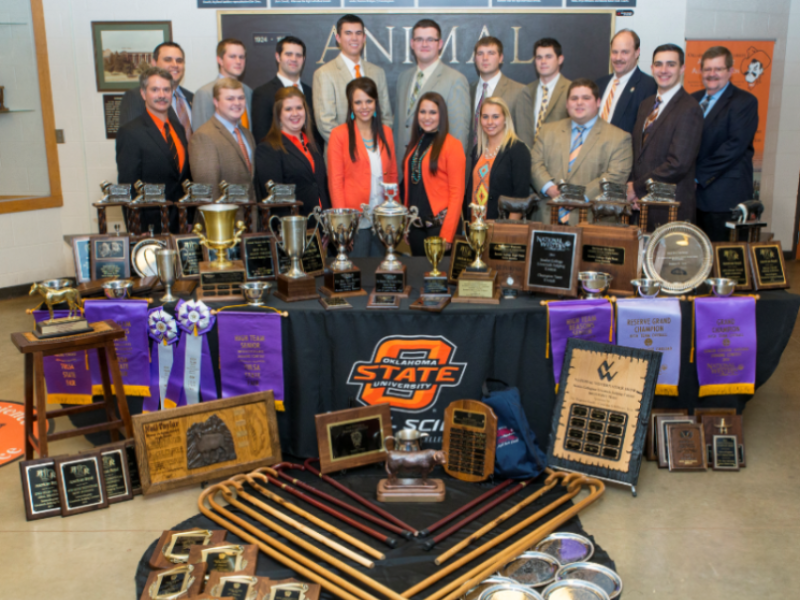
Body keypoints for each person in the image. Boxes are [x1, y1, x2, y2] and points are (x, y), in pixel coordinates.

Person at [531, 79, 632, 224]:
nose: (579, 102)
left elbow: (615, 176)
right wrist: (550, 189)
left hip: (592, 220)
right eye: (574, 98)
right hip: (546, 217)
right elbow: (534, 163)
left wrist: (578, 196)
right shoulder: (547, 131)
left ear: (598, 102)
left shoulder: (619, 138)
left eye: (586, 98)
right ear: (567, 104)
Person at [629, 44, 703, 228]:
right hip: (641, 206)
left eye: (671, 64)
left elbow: (677, 165)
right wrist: (636, 192)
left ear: (682, 68)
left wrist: (637, 188)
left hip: (670, 208)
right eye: (658, 64)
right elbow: (637, 154)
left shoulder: (689, 108)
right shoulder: (646, 105)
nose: (663, 70)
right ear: (652, 68)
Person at [691, 46, 759, 242]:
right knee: (695, 253)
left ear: (730, 71)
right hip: (693, 199)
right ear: (700, 71)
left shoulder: (744, 102)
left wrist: (696, 176)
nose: (712, 74)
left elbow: (734, 147)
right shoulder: (692, 100)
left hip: (724, 198)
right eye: (707, 69)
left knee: (721, 255)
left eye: (718, 69)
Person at [328, 78, 397, 257]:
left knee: (381, 270)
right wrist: (343, 225)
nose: (364, 107)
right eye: (358, 102)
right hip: (355, 222)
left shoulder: (387, 132)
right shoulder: (339, 135)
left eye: (369, 101)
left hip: (383, 221)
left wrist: (395, 216)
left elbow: (392, 176)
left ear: (376, 103)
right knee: (358, 270)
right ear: (351, 105)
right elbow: (336, 183)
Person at [116, 67, 190, 233]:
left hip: (181, 222)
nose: (162, 95)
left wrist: (189, 218)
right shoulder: (130, 132)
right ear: (143, 94)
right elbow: (128, 187)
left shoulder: (178, 128)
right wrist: (137, 228)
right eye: (155, 90)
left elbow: (184, 178)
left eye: (166, 89)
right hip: (150, 226)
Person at [394, 19, 470, 172]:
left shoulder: (455, 80)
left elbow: (459, 134)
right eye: (419, 39)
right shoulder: (403, 78)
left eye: (430, 39)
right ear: (412, 43)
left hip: (435, 172)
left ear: (440, 44)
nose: (424, 44)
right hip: (403, 170)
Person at [402, 92, 466, 255]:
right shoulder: (415, 143)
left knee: (438, 273)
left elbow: (457, 194)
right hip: (416, 228)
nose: (427, 117)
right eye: (422, 112)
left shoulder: (453, 146)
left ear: (441, 115)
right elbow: (412, 188)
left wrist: (447, 234)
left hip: (440, 229)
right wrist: (406, 224)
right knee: (418, 271)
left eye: (432, 112)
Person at [312, 15, 393, 142]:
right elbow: (326, 123)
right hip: (342, 150)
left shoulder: (378, 72)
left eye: (358, 33)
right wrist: (356, 147)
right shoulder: (324, 73)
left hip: (375, 147)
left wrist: (374, 144)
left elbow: (386, 117)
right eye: (348, 33)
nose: (354, 38)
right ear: (338, 38)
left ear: (364, 38)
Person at [254, 87, 330, 215]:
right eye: (288, 109)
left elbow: (320, 186)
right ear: (278, 114)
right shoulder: (268, 149)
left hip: (322, 222)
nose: (295, 113)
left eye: (299, 108)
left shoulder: (314, 145)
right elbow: (275, 201)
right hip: (294, 223)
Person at [188, 78, 256, 203]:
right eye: (230, 99)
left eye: (241, 98)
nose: (237, 103)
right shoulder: (204, 136)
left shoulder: (247, 134)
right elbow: (208, 193)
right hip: (223, 214)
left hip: (250, 213)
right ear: (216, 102)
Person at [251, 36, 324, 151]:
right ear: (278, 57)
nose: (294, 59)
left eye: (298, 55)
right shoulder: (263, 93)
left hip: (311, 158)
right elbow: (262, 137)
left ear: (303, 59)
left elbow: (316, 134)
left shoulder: (311, 93)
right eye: (288, 54)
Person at [465, 97, 531, 220]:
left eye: (495, 117)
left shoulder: (518, 150)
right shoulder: (477, 150)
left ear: (505, 119)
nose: (490, 122)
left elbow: (520, 196)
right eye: (485, 117)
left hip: (502, 226)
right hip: (475, 226)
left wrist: (508, 228)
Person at [118, 42, 194, 139]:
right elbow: (131, 139)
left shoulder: (191, 97)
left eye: (179, 61)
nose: (175, 65)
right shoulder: (136, 97)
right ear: (154, 63)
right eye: (168, 60)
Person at [469, 36, 533, 148]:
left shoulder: (519, 91)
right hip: (471, 158)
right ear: (475, 58)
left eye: (491, 53)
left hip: (504, 157)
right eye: (480, 53)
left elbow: (525, 140)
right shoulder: (468, 90)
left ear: (500, 58)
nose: (485, 58)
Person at [595, 29, 657, 135]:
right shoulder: (599, 84)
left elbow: (647, 133)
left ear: (637, 53)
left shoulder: (649, 86)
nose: (618, 58)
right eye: (615, 52)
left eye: (625, 52)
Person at [192, 39, 253, 131]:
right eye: (232, 56)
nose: (238, 61)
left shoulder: (248, 91)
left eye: (241, 57)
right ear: (220, 60)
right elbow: (200, 134)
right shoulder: (205, 93)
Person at [526, 38, 571, 139]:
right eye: (539, 57)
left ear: (560, 59)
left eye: (548, 57)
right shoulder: (527, 90)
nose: (543, 61)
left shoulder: (571, 90)